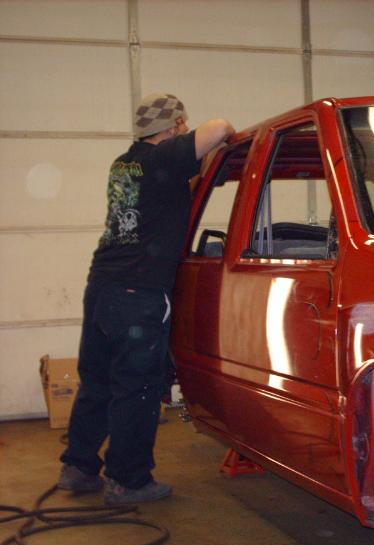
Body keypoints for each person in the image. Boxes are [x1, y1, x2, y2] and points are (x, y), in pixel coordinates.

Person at [57, 92, 235, 505]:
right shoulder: (163, 158)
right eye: (182, 125)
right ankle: (128, 480)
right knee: (137, 388)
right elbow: (220, 127)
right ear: (174, 127)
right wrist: (218, 134)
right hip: (138, 293)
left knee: (98, 381)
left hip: (102, 287)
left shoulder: (125, 163)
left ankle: (78, 467)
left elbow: (166, 194)